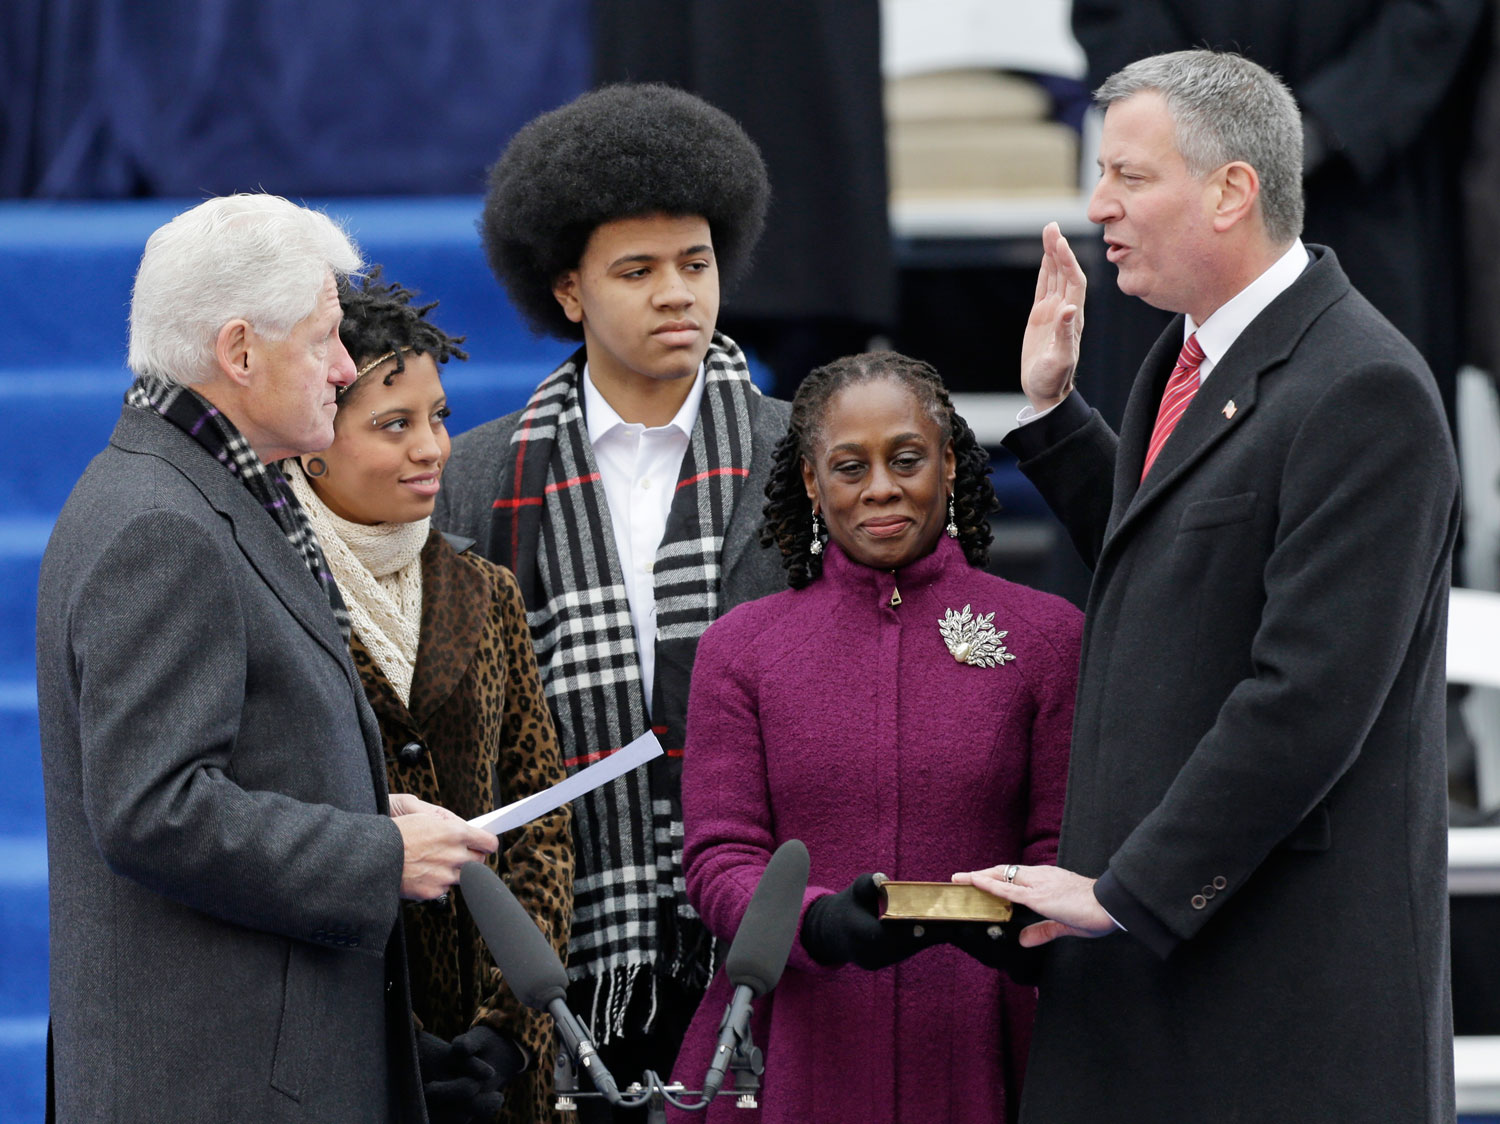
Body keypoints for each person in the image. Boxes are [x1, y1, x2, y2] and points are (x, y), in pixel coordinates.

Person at [957, 51, 1460, 1122]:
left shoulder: (1362, 386)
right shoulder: (1187, 355)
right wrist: (1054, 422)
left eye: (1131, 177)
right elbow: (1180, 566)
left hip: (1276, 988)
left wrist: (1124, 891)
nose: (1100, 206)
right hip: (1159, 960)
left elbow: (1308, 695)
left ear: (1232, 190)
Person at [35, 194, 500, 1122]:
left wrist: (360, 796)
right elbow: (154, 810)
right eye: (325, 340)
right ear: (240, 352)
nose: (343, 369)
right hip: (221, 1084)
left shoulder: (194, 487)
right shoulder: (162, 524)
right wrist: (377, 853)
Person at [434, 84, 789, 1118]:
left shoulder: (802, 450)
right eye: (637, 270)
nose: (677, 292)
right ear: (570, 290)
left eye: (696, 262)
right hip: (557, 941)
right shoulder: (477, 472)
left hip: (757, 927)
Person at [666, 351, 1082, 1123]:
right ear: (813, 484)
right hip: (790, 1041)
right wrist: (816, 922)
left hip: (985, 1038)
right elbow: (719, 859)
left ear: (951, 464)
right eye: (850, 467)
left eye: (907, 458)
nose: (881, 488)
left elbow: (1062, 846)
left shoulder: (1050, 636)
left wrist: (1021, 921)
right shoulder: (741, 647)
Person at [281, 272, 574, 1124]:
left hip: (494, 1075)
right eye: (394, 425)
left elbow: (539, 825)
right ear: (312, 439)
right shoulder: (266, 591)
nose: (433, 448)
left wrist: (509, 1029)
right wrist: (386, 1033)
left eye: (438, 417)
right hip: (337, 1052)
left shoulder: (484, 593)